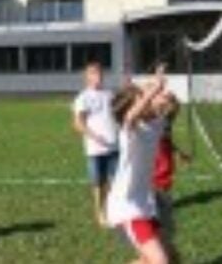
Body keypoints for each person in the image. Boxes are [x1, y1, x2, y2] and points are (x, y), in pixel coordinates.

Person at [107, 65, 173, 264]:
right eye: (140, 100)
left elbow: (160, 104)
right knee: (160, 261)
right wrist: (153, 89)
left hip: (144, 205)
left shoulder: (155, 123)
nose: (147, 101)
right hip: (126, 208)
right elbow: (131, 115)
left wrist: (157, 82)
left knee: (155, 258)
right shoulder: (129, 131)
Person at [72, 61, 119, 226]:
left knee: (115, 182)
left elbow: (119, 114)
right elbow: (78, 124)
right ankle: (99, 212)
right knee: (98, 183)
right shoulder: (82, 98)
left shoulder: (110, 94)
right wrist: (94, 136)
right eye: (93, 73)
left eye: (100, 73)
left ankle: (111, 210)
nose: (98, 76)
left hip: (114, 146)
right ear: (87, 77)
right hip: (95, 149)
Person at [151, 91, 189, 263]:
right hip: (154, 185)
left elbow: (166, 139)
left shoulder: (164, 124)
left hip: (164, 184)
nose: (172, 110)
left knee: (166, 244)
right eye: (166, 104)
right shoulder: (152, 124)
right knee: (162, 246)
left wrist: (178, 152)